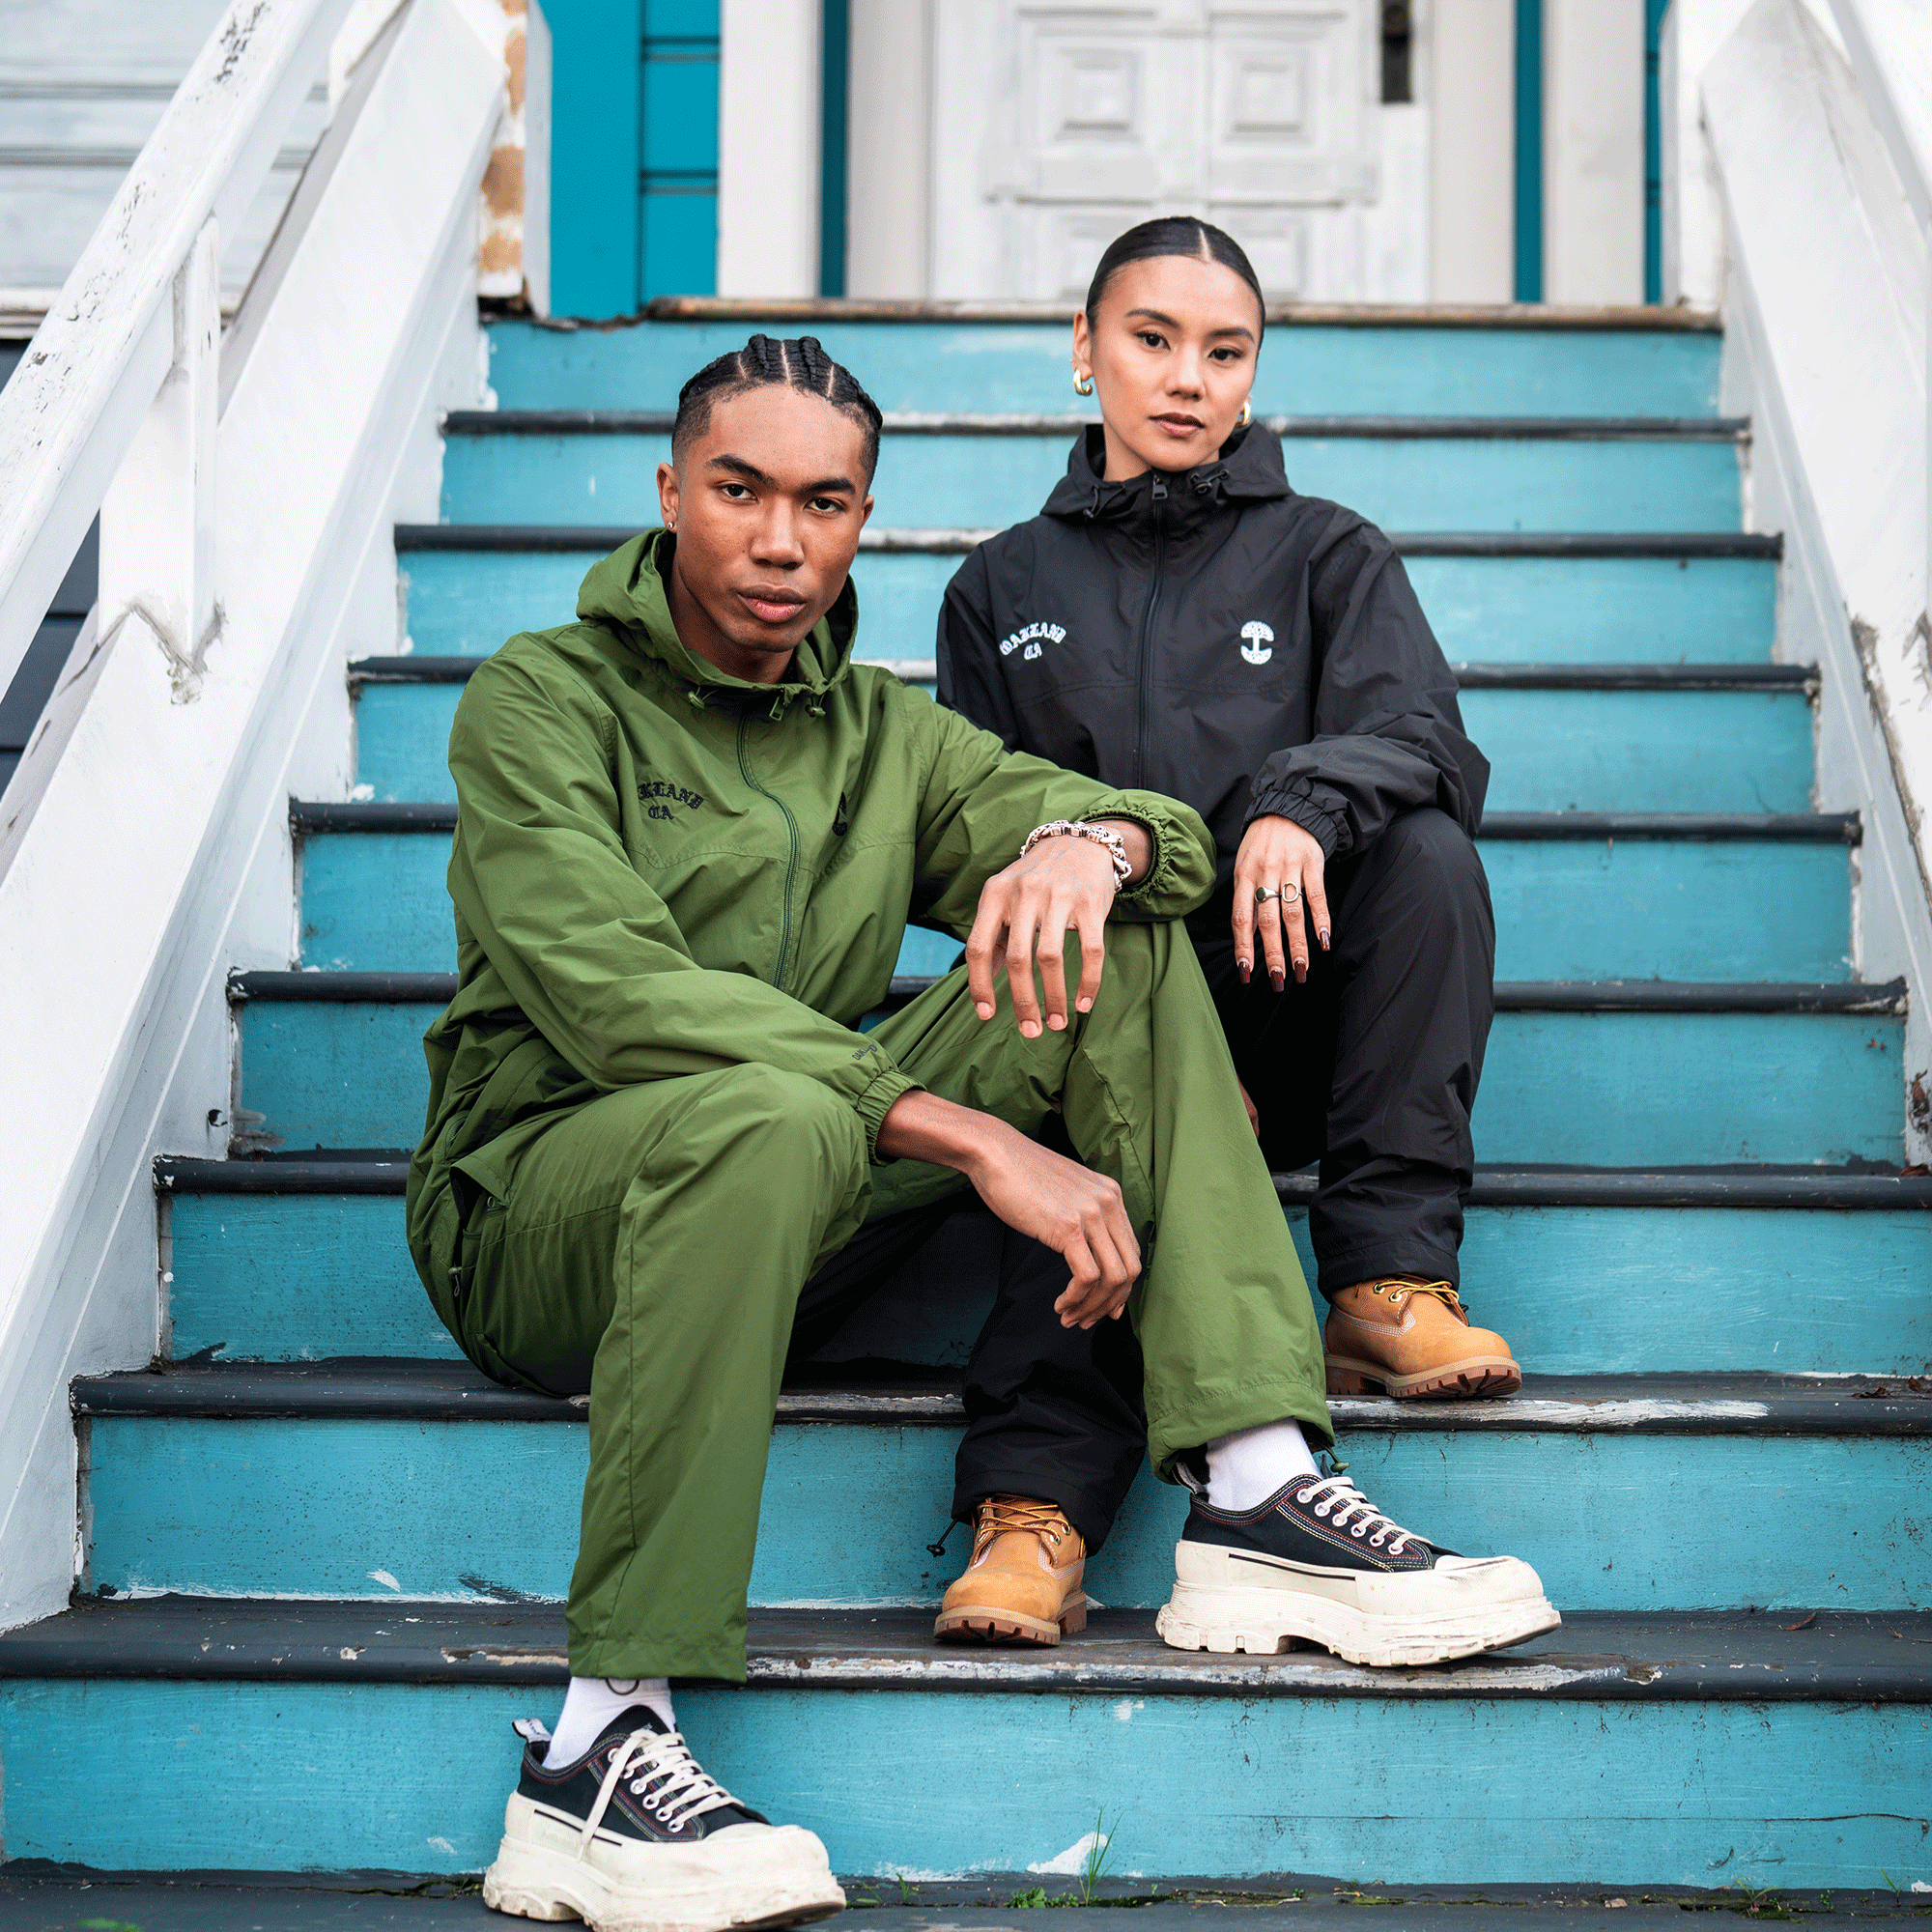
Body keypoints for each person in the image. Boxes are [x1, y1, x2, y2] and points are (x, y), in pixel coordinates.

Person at [407, 334, 1556, 1932]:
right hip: (550, 1217)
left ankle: (1254, 1480)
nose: (780, 541)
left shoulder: (885, 743)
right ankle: (605, 1744)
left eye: (825, 502)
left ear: (865, 519)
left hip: (801, 1212)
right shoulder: (544, 699)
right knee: (751, 1109)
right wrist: (968, 1136)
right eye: (739, 491)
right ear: (671, 492)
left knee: (1117, 939)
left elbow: (1166, 846)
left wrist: (1087, 841)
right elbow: (616, 999)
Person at [938, 216, 1516, 1407]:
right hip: (1106, 1018)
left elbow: (1427, 738)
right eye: (1152, 338)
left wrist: (1297, 804)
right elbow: (974, 835)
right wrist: (1168, 1054)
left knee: (1426, 850)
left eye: (1225, 350)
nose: (1188, 379)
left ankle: (1386, 1281)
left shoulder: (1327, 555)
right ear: (1082, 349)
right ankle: (1035, 1481)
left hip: (1291, 1002)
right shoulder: (997, 586)